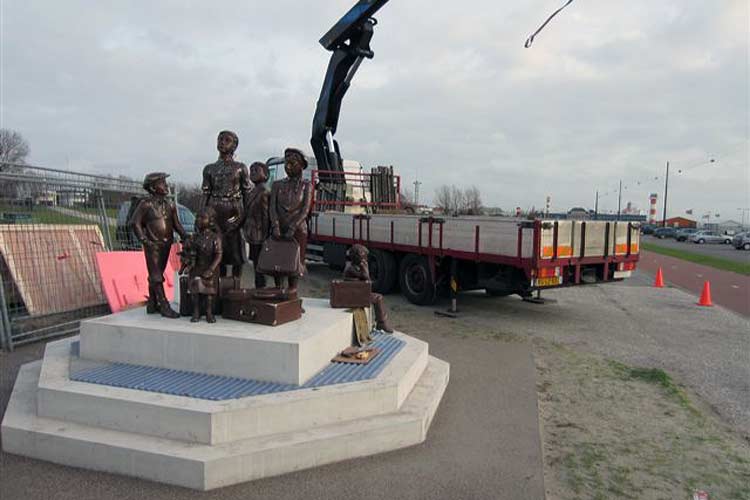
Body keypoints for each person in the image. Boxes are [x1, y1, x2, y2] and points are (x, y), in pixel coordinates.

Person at [131, 172, 187, 318]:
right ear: (153, 187)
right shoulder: (146, 204)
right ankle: (164, 305)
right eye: (162, 183)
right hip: (152, 245)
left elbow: (177, 224)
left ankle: (152, 303)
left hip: (166, 244)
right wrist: (144, 240)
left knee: (156, 273)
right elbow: (135, 223)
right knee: (156, 275)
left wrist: (185, 236)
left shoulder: (170, 205)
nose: (166, 186)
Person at [200, 130, 251, 279]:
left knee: (236, 253)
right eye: (220, 139)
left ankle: (235, 286)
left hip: (234, 212)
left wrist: (245, 217)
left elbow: (246, 193)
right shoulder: (209, 169)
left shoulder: (240, 168)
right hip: (214, 212)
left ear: (235, 145)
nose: (222, 142)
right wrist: (201, 215)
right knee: (216, 251)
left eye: (227, 140)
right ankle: (218, 285)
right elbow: (205, 193)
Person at [269, 148, 313, 294]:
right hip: (279, 228)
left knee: (295, 261)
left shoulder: (306, 186)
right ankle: (278, 288)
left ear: (301, 165)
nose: (288, 167)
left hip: (297, 229)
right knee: (277, 260)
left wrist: (293, 227)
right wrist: (275, 225)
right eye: (286, 163)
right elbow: (272, 208)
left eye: (292, 163)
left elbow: (305, 210)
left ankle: (292, 290)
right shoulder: (277, 185)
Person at [343, 244, 394, 333]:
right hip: (353, 297)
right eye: (364, 257)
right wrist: (366, 269)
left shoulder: (354, 267)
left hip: (355, 293)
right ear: (357, 257)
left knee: (378, 296)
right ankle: (381, 323)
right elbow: (368, 283)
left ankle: (381, 322)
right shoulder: (351, 269)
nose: (365, 259)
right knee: (378, 298)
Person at [185, 207, 223, 323]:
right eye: (197, 217)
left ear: (210, 221)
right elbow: (191, 254)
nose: (198, 220)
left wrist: (211, 269)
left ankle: (209, 312)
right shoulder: (195, 237)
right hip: (197, 267)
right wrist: (188, 263)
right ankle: (196, 311)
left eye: (202, 218)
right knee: (195, 287)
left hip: (210, 267)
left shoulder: (215, 238)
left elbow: (218, 255)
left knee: (209, 292)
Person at [243, 161, 271, 289]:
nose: (252, 173)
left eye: (256, 170)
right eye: (251, 170)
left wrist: (266, 236)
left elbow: (266, 215)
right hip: (252, 232)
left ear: (265, 174)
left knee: (261, 263)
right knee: (255, 262)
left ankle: (261, 287)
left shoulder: (264, 191)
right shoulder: (252, 191)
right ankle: (258, 286)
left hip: (261, 233)